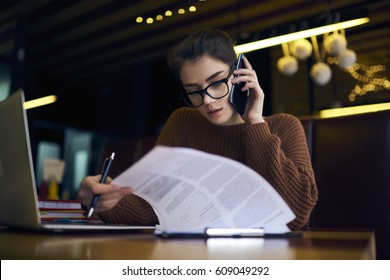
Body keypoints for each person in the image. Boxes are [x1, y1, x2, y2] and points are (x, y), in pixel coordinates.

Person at [78, 29, 318, 230]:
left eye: (216, 83)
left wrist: (255, 121)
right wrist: (108, 201)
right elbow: (154, 206)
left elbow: (295, 216)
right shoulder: (183, 122)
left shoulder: (283, 126)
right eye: (194, 91)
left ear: (239, 74)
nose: (207, 101)